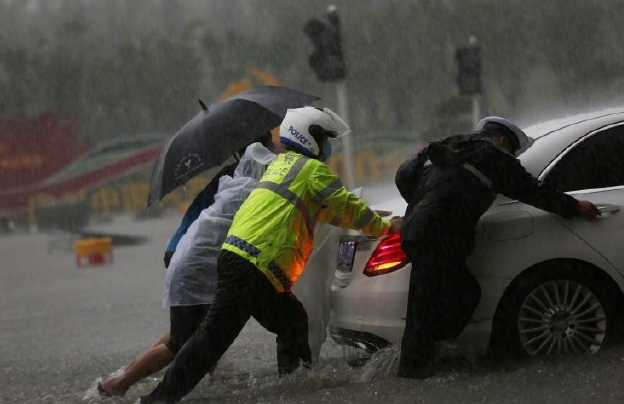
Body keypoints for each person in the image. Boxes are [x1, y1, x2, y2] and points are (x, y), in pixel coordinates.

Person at [139, 107, 402, 404]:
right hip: (254, 267)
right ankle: (157, 400)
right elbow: (345, 204)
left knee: (291, 322)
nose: (329, 146)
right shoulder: (311, 170)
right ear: (308, 137)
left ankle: (293, 387)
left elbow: (330, 210)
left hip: (245, 263)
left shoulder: (283, 165)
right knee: (212, 341)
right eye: (325, 138)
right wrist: (384, 226)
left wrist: (370, 218)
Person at [394, 116, 601, 379]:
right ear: (502, 139)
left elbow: (404, 175)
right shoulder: (492, 155)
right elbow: (531, 190)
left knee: (444, 300)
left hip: (421, 232)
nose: (512, 157)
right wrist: (574, 207)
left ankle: (426, 361)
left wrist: (419, 208)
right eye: (513, 151)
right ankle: (419, 371)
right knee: (431, 309)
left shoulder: (452, 144)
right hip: (440, 236)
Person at [97, 134, 276, 397]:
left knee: (188, 330)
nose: (275, 146)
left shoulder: (234, 174)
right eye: (270, 142)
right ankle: (123, 383)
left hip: (185, 250)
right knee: (182, 339)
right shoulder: (245, 179)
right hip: (194, 256)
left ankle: (129, 372)